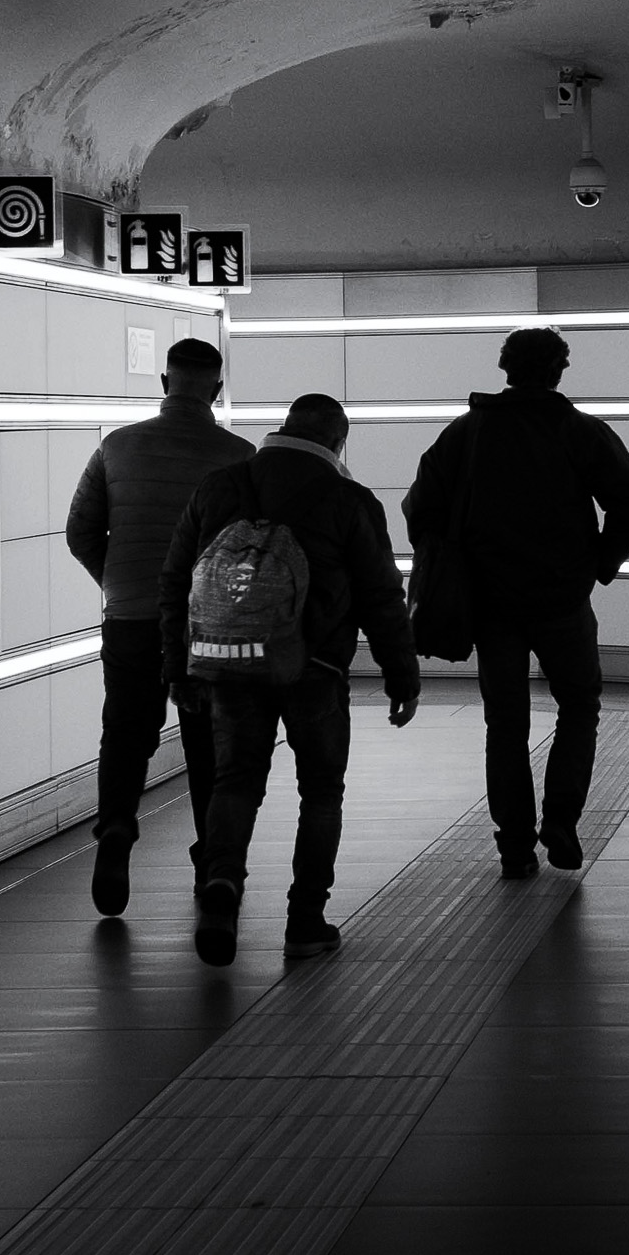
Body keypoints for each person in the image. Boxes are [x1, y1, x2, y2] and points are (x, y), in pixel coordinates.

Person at [161, 392, 420, 966]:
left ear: (283, 428)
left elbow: (177, 580)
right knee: (321, 792)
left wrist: (178, 669)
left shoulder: (219, 486)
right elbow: (380, 595)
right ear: (338, 442)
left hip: (231, 662)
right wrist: (401, 675)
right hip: (315, 670)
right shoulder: (349, 499)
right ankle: (305, 921)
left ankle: (222, 884)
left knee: (235, 781)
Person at [404, 328, 629, 878]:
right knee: (579, 706)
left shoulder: (466, 432)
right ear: (560, 370)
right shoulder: (581, 431)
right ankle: (561, 820)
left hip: (491, 604)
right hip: (563, 599)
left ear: (505, 368)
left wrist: (453, 560)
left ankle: (514, 845)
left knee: (505, 723)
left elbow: (421, 507)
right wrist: (597, 563)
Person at [65, 336, 253, 916]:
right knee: (209, 744)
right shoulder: (240, 457)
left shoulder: (116, 447)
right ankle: (211, 864)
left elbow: (80, 531)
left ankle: (116, 832)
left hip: (131, 619)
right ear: (216, 391)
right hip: (208, 627)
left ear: (165, 384)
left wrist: (118, 583)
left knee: (126, 732)